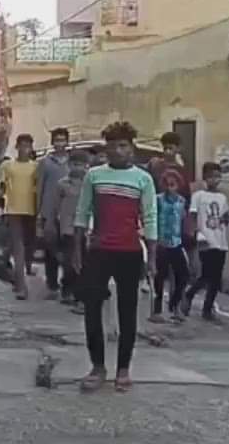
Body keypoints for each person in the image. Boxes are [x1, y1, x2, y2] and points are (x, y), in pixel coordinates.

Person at [73, 121, 157, 393]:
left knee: (127, 311)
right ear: (106, 150)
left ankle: (123, 369)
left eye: (123, 146)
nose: (118, 151)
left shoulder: (143, 179)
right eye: (112, 146)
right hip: (98, 251)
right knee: (92, 310)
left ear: (132, 149)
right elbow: (82, 214)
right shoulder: (94, 175)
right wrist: (77, 251)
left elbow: (151, 219)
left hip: (130, 252)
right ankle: (97, 367)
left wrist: (152, 257)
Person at [184, 162, 229, 321]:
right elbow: (193, 215)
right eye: (211, 176)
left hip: (220, 240)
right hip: (206, 239)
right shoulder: (198, 196)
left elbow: (225, 218)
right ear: (205, 178)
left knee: (216, 278)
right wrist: (193, 233)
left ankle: (207, 308)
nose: (215, 180)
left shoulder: (222, 197)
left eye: (218, 176)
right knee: (207, 275)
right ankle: (189, 294)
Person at [0, 134, 39, 300]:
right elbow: (0, 187)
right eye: (22, 146)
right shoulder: (8, 166)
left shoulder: (36, 167)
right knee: (18, 248)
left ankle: (18, 271)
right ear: (17, 147)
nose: (25, 149)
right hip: (13, 210)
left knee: (29, 246)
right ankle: (21, 286)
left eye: (28, 146)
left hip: (32, 210)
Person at [149, 170, 190, 324]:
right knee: (160, 277)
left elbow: (183, 219)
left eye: (172, 184)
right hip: (161, 243)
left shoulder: (181, 201)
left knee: (183, 275)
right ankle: (157, 310)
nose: (169, 187)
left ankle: (175, 305)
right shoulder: (158, 200)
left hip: (176, 242)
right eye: (167, 184)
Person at [36, 127, 71, 301]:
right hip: (48, 211)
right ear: (52, 142)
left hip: (67, 212)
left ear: (67, 142)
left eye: (62, 140)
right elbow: (40, 187)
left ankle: (67, 285)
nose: (59, 143)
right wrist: (38, 212)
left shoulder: (72, 163)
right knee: (51, 250)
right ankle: (52, 284)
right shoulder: (45, 163)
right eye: (56, 140)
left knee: (68, 250)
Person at [50, 149, 89, 306]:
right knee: (69, 262)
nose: (77, 168)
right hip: (67, 227)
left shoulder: (90, 183)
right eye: (74, 164)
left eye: (80, 165)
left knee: (84, 262)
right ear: (69, 165)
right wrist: (52, 222)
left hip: (85, 227)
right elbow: (56, 206)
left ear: (86, 166)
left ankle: (80, 292)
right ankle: (67, 289)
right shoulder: (62, 184)